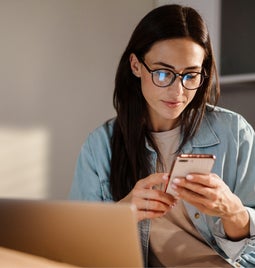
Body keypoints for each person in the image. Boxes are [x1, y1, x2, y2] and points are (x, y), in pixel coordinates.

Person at [69, 4, 255, 267]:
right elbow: (75, 247)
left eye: (190, 75)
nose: (178, 91)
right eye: (163, 73)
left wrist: (233, 211)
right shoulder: (100, 146)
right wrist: (121, 214)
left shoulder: (235, 134)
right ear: (136, 65)